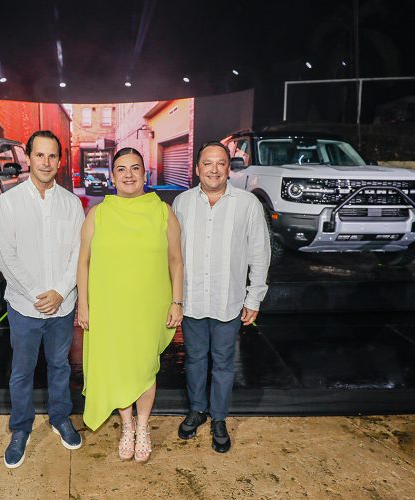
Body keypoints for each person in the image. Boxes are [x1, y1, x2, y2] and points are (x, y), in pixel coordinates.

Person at [77, 147, 183, 463]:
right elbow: (83, 262)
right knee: (118, 365)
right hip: (109, 307)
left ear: (144, 174)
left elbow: (176, 260)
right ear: (113, 176)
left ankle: (144, 427)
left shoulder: (163, 211)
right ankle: (127, 426)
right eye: (121, 169)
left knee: (144, 367)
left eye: (135, 168)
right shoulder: (98, 214)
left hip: (148, 306)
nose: (128, 175)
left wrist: (177, 301)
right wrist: (83, 304)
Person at [0, 130, 85, 469]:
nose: (46, 162)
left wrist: (60, 291)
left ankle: (61, 418)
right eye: (40, 155)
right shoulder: (9, 202)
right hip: (24, 306)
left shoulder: (71, 204)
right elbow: (5, 256)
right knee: (22, 371)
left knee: (60, 366)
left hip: (62, 305)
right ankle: (21, 428)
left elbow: (79, 253)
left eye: (52, 156)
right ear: (28, 158)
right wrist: (36, 294)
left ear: (60, 161)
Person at [172, 141, 270, 453]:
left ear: (229, 168)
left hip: (229, 301)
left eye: (221, 163)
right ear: (197, 168)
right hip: (192, 300)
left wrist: (254, 297)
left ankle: (218, 418)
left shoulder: (247, 204)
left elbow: (259, 252)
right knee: (195, 360)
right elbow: (172, 254)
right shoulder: (182, 203)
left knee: (224, 362)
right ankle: (196, 410)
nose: (214, 169)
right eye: (207, 163)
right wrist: (173, 298)